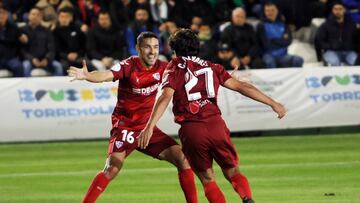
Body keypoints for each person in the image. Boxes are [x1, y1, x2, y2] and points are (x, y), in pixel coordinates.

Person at [139, 29, 286, 203]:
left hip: (192, 129)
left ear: (175, 51)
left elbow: (165, 96)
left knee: (208, 179)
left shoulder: (174, 67)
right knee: (233, 171)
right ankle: (246, 198)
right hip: (216, 125)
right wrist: (273, 103)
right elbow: (242, 87)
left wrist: (149, 126)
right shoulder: (212, 66)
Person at [68, 31, 198, 203]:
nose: (152, 51)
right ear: (138, 48)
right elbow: (106, 75)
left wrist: (221, 75)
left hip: (147, 129)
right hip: (125, 127)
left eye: (155, 47)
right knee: (112, 168)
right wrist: (88, 76)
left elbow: (193, 73)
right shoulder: (129, 65)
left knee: (182, 159)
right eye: (147, 47)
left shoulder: (164, 67)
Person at [257, 2, 303, 68]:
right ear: (264, 12)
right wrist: (281, 40)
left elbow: (288, 41)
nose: (270, 13)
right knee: (270, 62)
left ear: (277, 11)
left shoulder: (283, 24)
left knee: (298, 60)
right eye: (267, 10)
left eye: (272, 10)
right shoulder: (261, 25)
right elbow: (266, 44)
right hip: (268, 55)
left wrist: (273, 39)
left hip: (283, 56)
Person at [315, 1, 358, 66]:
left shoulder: (352, 25)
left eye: (340, 9)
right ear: (332, 10)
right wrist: (330, 46)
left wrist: (352, 47)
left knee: (356, 62)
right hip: (331, 51)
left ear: (344, 10)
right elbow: (319, 41)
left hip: (349, 51)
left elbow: (357, 40)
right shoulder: (325, 25)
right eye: (335, 9)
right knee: (334, 63)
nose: (337, 12)